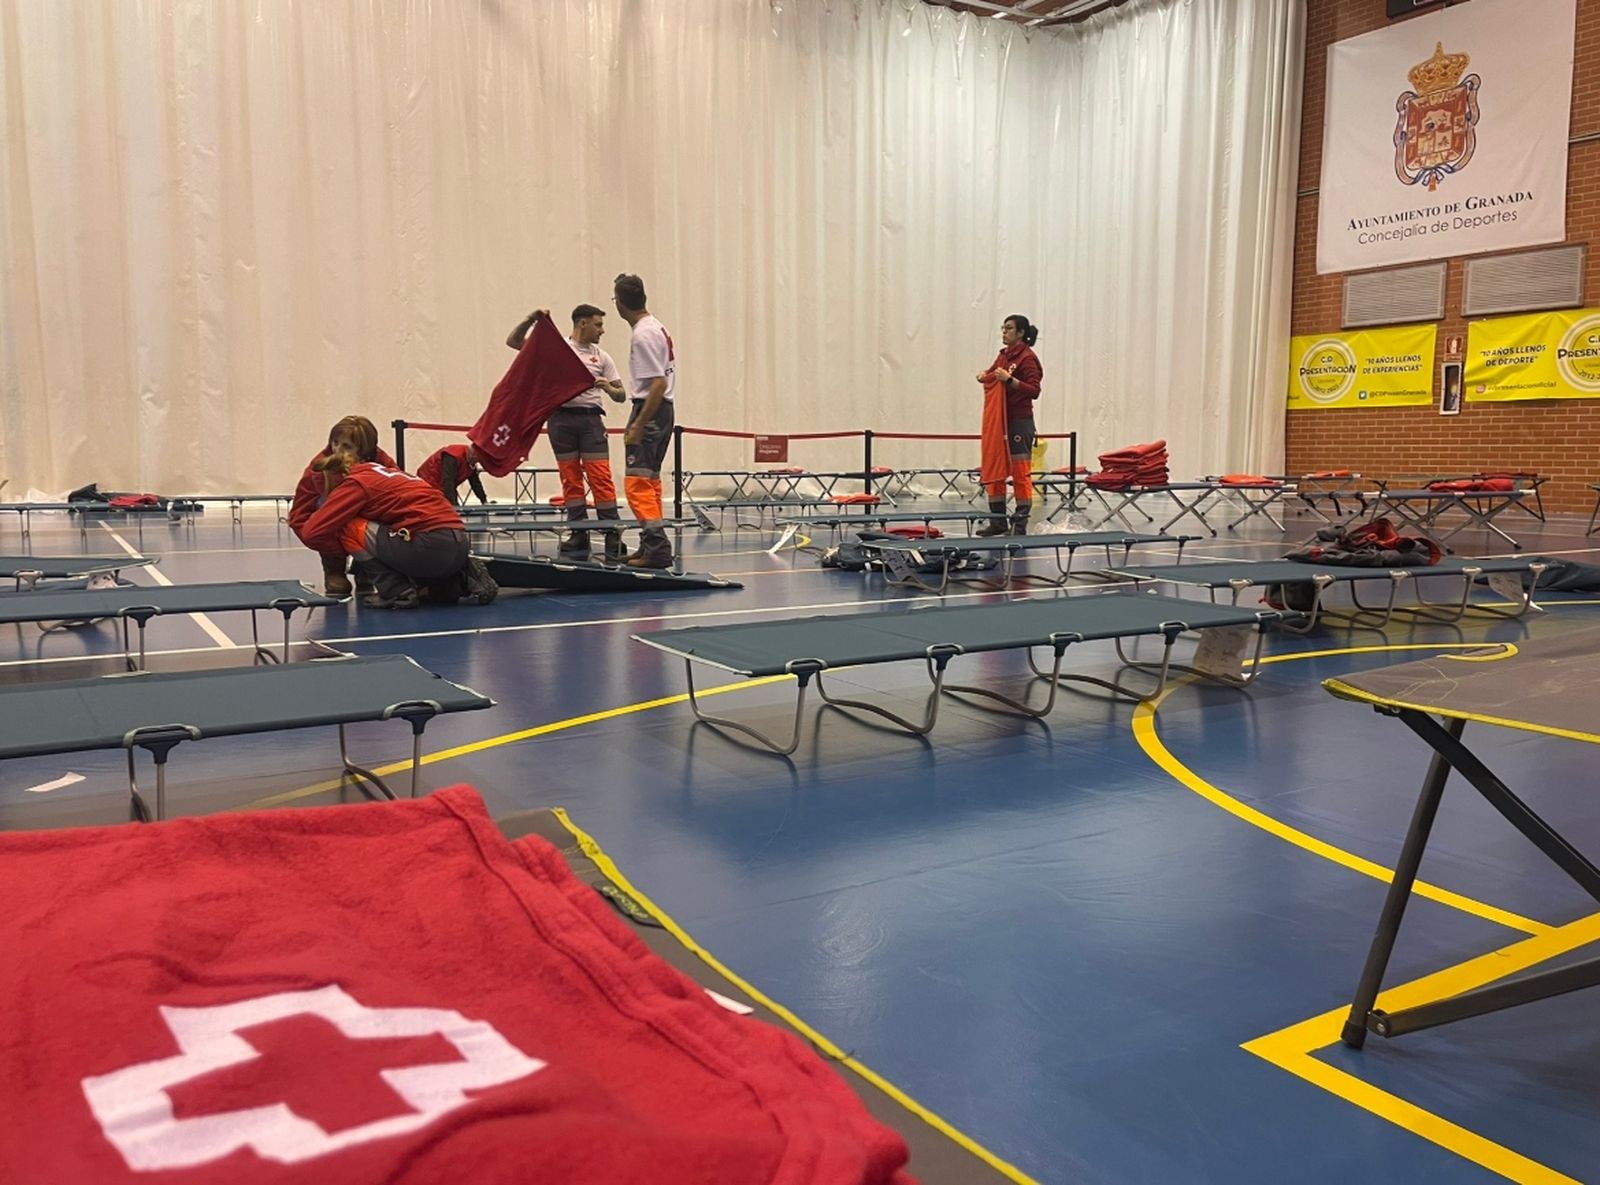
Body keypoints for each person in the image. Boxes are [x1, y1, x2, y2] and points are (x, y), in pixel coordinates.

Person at [299, 449, 498, 610]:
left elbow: (312, 532)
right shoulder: (382, 472)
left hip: (429, 545)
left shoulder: (353, 484)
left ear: (337, 476)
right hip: (458, 541)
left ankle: (396, 591)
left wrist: (341, 550)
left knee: (348, 527)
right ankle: (459, 581)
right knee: (390, 533)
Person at [508, 304, 629, 562]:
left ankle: (611, 532)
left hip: (591, 421)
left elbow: (621, 396)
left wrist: (607, 387)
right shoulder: (557, 351)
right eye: (598, 324)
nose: (602, 330)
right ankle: (578, 532)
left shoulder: (602, 357)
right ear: (582, 323)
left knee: (600, 477)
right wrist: (531, 319)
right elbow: (514, 341)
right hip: (561, 420)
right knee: (570, 479)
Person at [289, 416, 397, 596]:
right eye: (335, 442)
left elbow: (397, 499)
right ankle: (334, 568)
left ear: (364, 450)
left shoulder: (385, 465)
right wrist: (333, 550)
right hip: (334, 528)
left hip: (367, 523)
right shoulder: (317, 470)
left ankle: (367, 566)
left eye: (347, 446)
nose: (337, 450)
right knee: (325, 518)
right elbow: (300, 515)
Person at [613, 273, 677, 569]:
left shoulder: (643, 334)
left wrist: (638, 424)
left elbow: (658, 384)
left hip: (650, 409)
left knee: (637, 482)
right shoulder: (655, 326)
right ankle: (650, 544)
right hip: (661, 410)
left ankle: (657, 548)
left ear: (620, 304)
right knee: (649, 481)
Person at [974, 314, 1043, 536]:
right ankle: (997, 521)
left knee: (1020, 472)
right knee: (995, 466)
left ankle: (1019, 524)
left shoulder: (1027, 358)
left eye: (1009, 328)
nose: (1004, 332)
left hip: (1019, 422)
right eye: (1003, 328)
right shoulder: (1003, 356)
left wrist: (1010, 381)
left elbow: (1034, 391)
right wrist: (984, 375)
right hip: (999, 421)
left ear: (1021, 333)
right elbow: (993, 373)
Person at [417, 441, 490, 507]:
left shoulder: (471, 461)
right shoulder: (453, 456)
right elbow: (448, 481)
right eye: (478, 460)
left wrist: (484, 500)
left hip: (444, 484)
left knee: (453, 507)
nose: (478, 463)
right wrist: (453, 506)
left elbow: (475, 482)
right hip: (428, 482)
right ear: (474, 456)